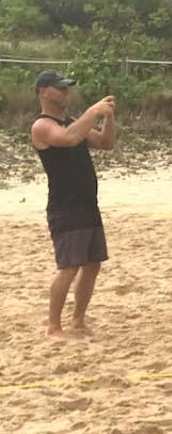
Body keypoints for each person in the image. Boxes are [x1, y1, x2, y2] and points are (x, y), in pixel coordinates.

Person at [30, 70, 117, 339]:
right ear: (44, 91)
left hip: (87, 203)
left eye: (67, 88)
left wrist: (108, 117)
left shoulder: (71, 123)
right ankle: (53, 326)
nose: (66, 92)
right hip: (65, 207)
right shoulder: (42, 126)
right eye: (60, 88)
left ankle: (78, 321)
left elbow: (106, 143)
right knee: (69, 267)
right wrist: (93, 111)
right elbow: (67, 138)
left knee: (92, 263)